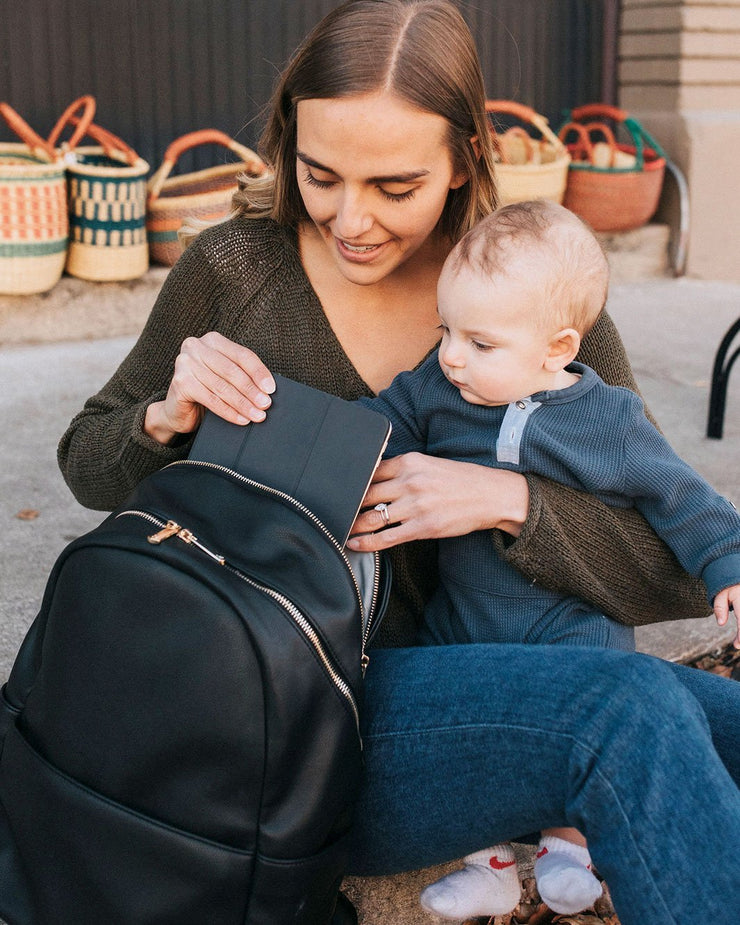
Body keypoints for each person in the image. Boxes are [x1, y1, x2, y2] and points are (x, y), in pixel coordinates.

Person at [57, 2, 740, 923]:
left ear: (464, 160)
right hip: (293, 717)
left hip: (494, 683)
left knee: (679, 715)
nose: (352, 218)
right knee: (627, 710)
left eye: (395, 186)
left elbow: (669, 563)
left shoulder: (530, 296)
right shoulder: (234, 271)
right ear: (287, 140)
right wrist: (162, 415)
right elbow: (88, 465)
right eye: (320, 175)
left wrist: (508, 502)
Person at [354, 198, 740, 918]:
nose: (452, 355)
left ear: (558, 348)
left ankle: (571, 847)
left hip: (570, 628)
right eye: (446, 331)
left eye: (481, 343)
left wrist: (729, 562)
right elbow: (380, 421)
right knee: (515, 711)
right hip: (461, 627)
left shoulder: (608, 420)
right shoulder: (443, 389)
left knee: (622, 692)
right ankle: (492, 862)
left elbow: (681, 499)